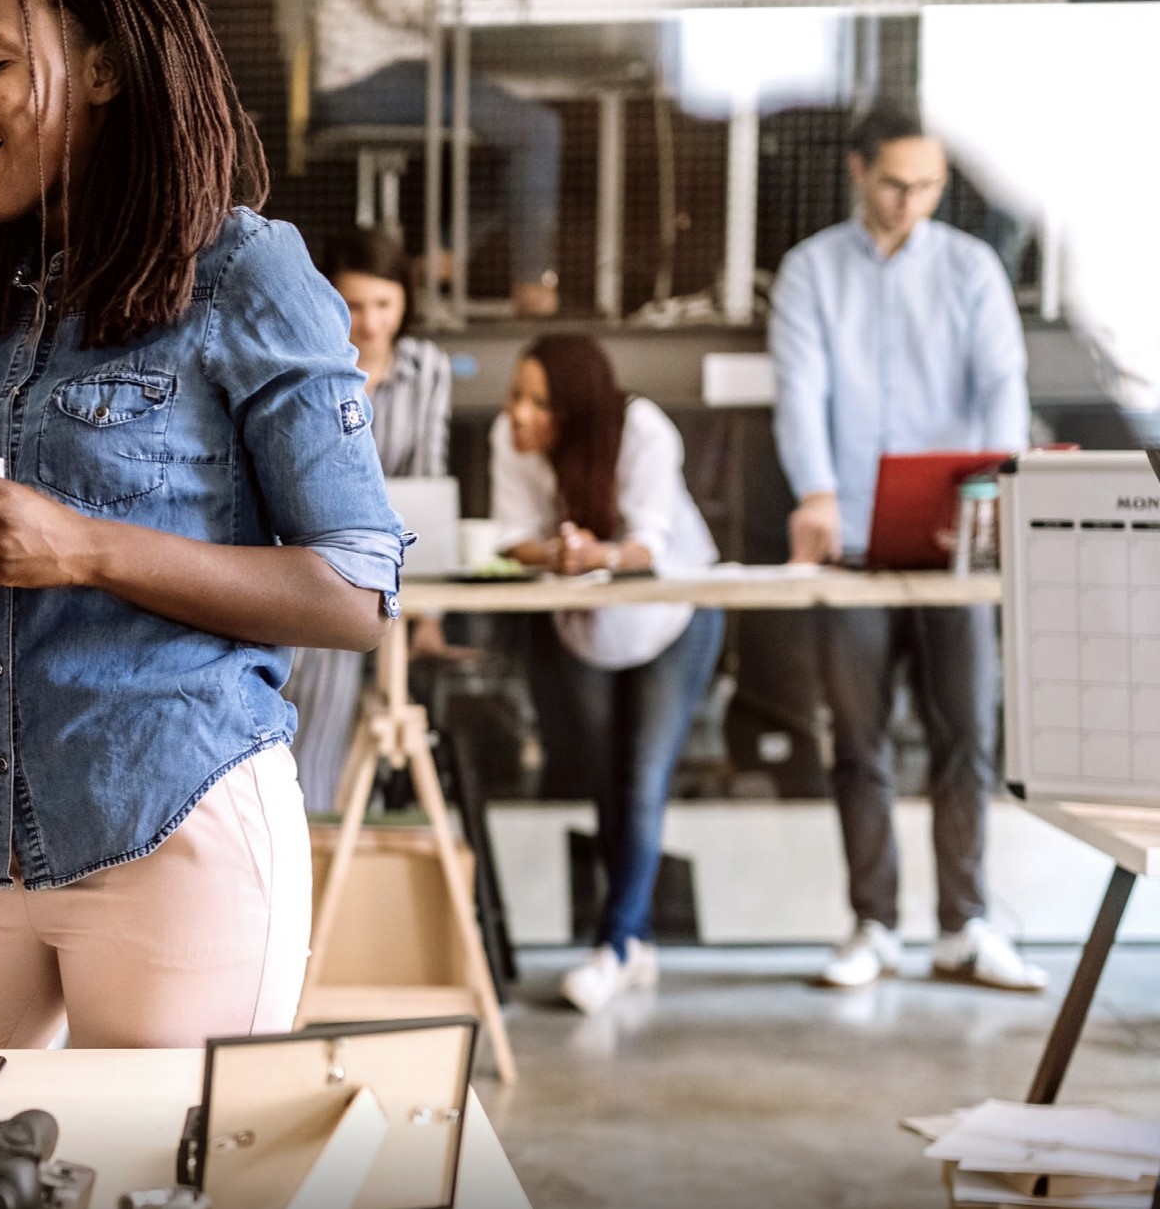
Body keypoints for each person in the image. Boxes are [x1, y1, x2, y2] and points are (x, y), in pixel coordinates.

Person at [0, 0, 407, 1051]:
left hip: (171, 819)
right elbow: (5, 592)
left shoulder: (246, 271)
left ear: (102, 70)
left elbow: (355, 591)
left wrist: (81, 545)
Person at [769, 106, 1040, 993]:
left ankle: (965, 926)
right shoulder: (811, 270)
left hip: (954, 543)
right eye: (894, 183)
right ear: (858, 170)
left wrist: (999, 487)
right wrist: (814, 489)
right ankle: (873, 925)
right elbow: (800, 390)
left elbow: (1003, 383)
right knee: (858, 737)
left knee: (968, 731)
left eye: (927, 186)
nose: (910, 202)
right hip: (850, 540)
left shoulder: (971, 268)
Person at [490, 336, 723, 1013]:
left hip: (672, 613)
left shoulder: (642, 429)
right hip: (588, 622)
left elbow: (647, 545)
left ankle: (614, 944)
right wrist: (560, 551)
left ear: (578, 408)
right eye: (515, 396)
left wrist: (594, 551)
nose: (519, 414)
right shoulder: (513, 442)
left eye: (540, 402)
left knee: (642, 777)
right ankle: (637, 939)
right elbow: (513, 538)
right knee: (604, 777)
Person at [282, 225, 466, 813]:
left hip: (389, 567)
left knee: (353, 743)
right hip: (316, 563)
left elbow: (425, 481)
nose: (371, 322)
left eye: (384, 304)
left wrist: (428, 613)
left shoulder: (428, 368)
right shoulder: (308, 360)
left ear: (405, 302)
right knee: (302, 732)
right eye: (354, 305)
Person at [309, 0, 563, 318]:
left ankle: (443, 253)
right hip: (367, 83)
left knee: (518, 142)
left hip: (379, 79)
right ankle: (533, 283)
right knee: (535, 130)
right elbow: (396, 0)